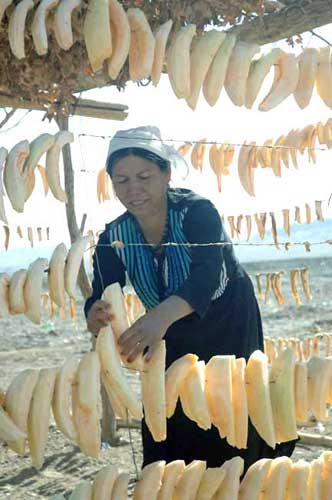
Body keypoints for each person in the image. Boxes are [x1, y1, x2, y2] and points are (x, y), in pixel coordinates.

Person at [84, 126, 296, 471]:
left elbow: (206, 275)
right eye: (121, 180)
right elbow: (102, 291)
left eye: (144, 176)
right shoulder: (113, 237)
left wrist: (158, 318)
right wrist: (95, 314)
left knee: (231, 401)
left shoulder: (197, 212)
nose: (133, 189)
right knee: (171, 407)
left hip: (226, 318)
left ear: (166, 173)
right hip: (168, 331)